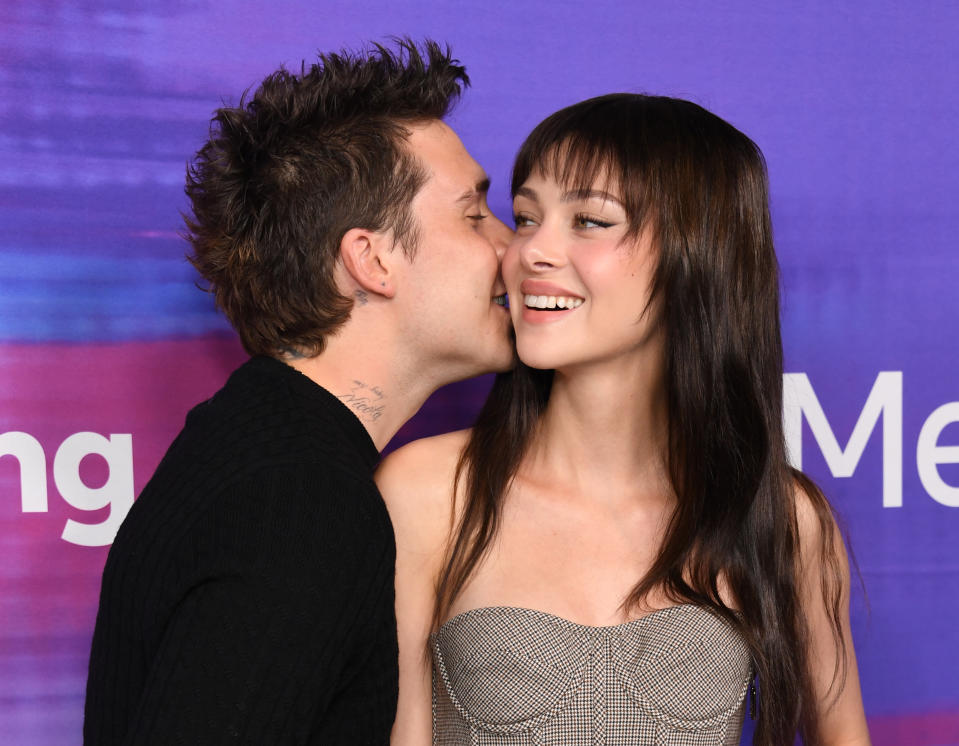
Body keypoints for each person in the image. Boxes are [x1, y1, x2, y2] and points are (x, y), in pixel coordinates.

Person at [378, 94, 871, 745]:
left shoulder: (780, 518)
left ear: (695, 254)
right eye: (525, 218)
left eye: (588, 221)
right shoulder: (428, 492)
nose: (532, 252)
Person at [83, 39, 513, 745]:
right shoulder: (301, 500)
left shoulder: (260, 448)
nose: (512, 248)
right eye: (473, 215)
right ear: (370, 259)